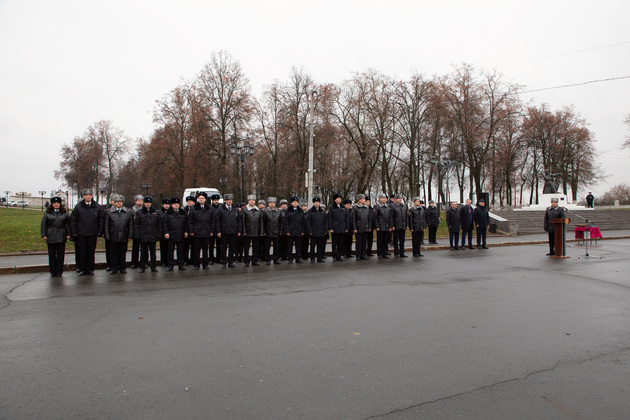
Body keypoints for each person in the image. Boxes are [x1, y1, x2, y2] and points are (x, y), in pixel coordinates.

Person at [69, 189, 102, 276]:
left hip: (92, 233)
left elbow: (101, 220)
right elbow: (73, 220)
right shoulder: (78, 207)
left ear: (92, 196)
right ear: (83, 196)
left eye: (89, 195)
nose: (88, 196)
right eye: (86, 195)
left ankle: (90, 269)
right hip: (81, 234)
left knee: (91, 252)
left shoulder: (97, 207)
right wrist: (74, 232)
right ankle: (83, 269)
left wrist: (100, 231)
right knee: (82, 252)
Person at [40, 196, 70, 277]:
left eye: (57, 203)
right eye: (54, 203)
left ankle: (59, 271)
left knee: (60, 255)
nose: (56, 204)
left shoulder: (64, 213)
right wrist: (44, 234)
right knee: (52, 255)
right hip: (51, 236)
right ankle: (53, 271)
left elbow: (68, 224)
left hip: (61, 236)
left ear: (60, 204)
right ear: (52, 204)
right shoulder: (47, 213)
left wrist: (68, 234)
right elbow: (43, 224)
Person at [104, 195, 134, 274]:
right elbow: (106, 225)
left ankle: (122, 267)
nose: (118, 203)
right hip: (113, 236)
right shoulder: (109, 212)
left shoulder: (128, 212)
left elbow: (130, 224)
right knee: (113, 254)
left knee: (122, 253)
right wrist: (107, 235)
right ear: (114, 203)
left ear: (122, 202)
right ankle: (114, 268)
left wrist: (130, 235)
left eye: (120, 202)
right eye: (117, 202)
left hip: (124, 236)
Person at [134, 196, 161, 272]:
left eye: (149, 203)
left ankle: (153, 266)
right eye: (146, 202)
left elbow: (159, 224)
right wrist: (137, 235)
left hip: (153, 235)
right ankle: (142, 267)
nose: (148, 204)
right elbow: (136, 225)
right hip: (143, 235)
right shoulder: (139, 213)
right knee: (143, 253)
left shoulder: (156, 213)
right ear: (144, 203)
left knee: (153, 253)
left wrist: (158, 235)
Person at [215, 194, 241, 268]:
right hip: (224, 232)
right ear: (225, 201)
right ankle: (223, 262)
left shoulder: (236, 209)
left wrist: (239, 230)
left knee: (232, 248)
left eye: (231, 200)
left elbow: (239, 221)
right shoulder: (220, 209)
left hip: (233, 231)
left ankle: (231, 262)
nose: (229, 201)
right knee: (224, 248)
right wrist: (218, 231)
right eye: (228, 200)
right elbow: (217, 221)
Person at [188, 192, 213, 270]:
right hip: (197, 231)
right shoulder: (193, 208)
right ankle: (196, 264)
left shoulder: (209, 208)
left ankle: (205, 264)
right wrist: (191, 230)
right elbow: (190, 221)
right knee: (196, 249)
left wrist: (211, 230)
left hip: (206, 231)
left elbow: (212, 220)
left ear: (205, 199)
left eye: (202, 198)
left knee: (205, 249)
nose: (201, 200)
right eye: (199, 198)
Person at [162, 198, 188, 271]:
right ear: (172, 205)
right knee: (170, 251)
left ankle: (181, 264)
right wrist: (166, 232)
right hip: (171, 234)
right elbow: (165, 224)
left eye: (177, 204)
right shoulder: (168, 213)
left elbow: (186, 223)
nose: (176, 205)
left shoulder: (183, 212)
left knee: (180, 251)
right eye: (174, 204)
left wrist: (186, 231)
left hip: (180, 234)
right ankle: (170, 265)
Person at [242, 195, 265, 266]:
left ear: (255, 201)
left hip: (256, 231)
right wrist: (244, 231)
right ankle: (246, 261)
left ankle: (255, 260)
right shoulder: (245, 210)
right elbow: (243, 221)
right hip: (248, 231)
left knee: (256, 247)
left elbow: (261, 221)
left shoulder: (258, 210)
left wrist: (261, 231)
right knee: (246, 247)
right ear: (248, 201)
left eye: (253, 200)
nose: (251, 201)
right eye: (250, 200)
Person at [283, 197, 306, 263]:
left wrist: (303, 231)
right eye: (294, 202)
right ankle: (290, 258)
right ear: (291, 203)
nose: (295, 203)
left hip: (298, 230)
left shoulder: (300, 211)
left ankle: (298, 258)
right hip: (290, 231)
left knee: (298, 246)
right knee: (289, 246)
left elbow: (303, 222)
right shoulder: (288, 210)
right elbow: (286, 222)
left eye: (296, 202)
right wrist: (287, 231)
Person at [306, 197, 328, 262]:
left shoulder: (322, 211)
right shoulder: (310, 211)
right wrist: (310, 231)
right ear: (313, 203)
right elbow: (308, 222)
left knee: (320, 246)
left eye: (317, 202)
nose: (316, 203)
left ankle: (319, 258)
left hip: (321, 231)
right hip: (313, 232)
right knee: (312, 246)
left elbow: (325, 222)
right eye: (315, 202)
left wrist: (325, 230)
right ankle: (312, 258)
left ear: (319, 203)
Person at [263, 197, 283, 265]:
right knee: (267, 247)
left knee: (276, 247)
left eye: (273, 203)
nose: (272, 204)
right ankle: (267, 259)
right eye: (271, 203)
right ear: (268, 204)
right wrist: (264, 231)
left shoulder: (278, 211)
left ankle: (276, 259)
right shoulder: (265, 211)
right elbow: (263, 222)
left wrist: (280, 230)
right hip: (268, 231)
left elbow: (281, 222)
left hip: (276, 231)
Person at [327, 193, 347, 261]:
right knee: (334, 243)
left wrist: (345, 227)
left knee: (340, 243)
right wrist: (330, 228)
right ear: (335, 200)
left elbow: (345, 218)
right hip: (335, 228)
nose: (339, 199)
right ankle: (334, 256)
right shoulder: (331, 207)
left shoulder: (343, 207)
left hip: (342, 227)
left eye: (340, 198)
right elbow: (330, 218)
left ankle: (339, 255)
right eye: (338, 198)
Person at [374, 193, 394, 259]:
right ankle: (380, 254)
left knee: (385, 241)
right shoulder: (377, 207)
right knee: (380, 241)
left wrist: (390, 226)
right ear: (379, 199)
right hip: (380, 226)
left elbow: (390, 217)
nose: (384, 199)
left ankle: (384, 253)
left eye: (385, 198)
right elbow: (375, 217)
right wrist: (377, 226)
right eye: (382, 198)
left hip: (387, 226)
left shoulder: (388, 207)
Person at [351, 194, 371, 260]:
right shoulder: (355, 208)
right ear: (359, 200)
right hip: (359, 227)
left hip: (365, 227)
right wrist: (354, 228)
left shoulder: (366, 208)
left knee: (364, 242)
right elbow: (353, 218)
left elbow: (369, 218)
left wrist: (369, 226)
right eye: (362, 199)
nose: (364, 200)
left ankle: (363, 254)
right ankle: (358, 255)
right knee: (359, 242)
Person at [129, 194, 144, 268]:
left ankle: (144, 262)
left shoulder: (144, 210)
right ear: (135, 202)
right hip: (135, 231)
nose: (140, 202)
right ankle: (134, 262)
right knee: (135, 248)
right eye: (138, 200)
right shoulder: (132, 211)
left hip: (143, 231)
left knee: (144, 249)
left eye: (141, 200)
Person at [183, 195, 196, 265]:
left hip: (194, 231)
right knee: (185, 247)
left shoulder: (196, 209)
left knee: (194, 247)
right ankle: (185, 260)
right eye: (188, 201)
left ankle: (193, 260)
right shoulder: (184, 210)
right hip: (186, 231)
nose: (189, 203)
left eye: (191, 201)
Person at [209, 194, 222, 264]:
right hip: (212, 229)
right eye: (215, 200)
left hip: (219, 229)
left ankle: (219, 258)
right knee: (211, 245)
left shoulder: (220, 208)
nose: (216, 201)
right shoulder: (210, 208)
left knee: (219, 245)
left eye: (217, 200)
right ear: (212, 201)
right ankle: (211, 258)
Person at [159, 199, 171, 267]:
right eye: (165, 204)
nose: (167, 206)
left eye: (168, 204)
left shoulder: (170, 212)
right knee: (163, 249)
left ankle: (169, 261)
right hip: (162, 233)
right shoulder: (159, 213)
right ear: (162, 205)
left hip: (170, 233)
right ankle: (163, 261)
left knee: (169, 249)